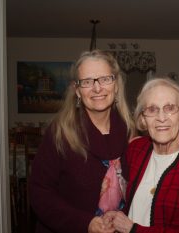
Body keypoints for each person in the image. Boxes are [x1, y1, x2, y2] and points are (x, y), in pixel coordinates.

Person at [30, 49, 135, 233]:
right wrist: (85, 223)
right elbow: (40, 194)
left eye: (105, 79)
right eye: (87, 82)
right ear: (77, 90)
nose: (97, 88)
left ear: (116, 84)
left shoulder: (131, 131)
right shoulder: (60, 133)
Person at [103, 78, 179, 233]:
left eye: (170, 108)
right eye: (152, 109)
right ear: (143, 119)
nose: (161, 118)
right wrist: (118, 217)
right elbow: (137, 204)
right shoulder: (135, 150)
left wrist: (134, 230)